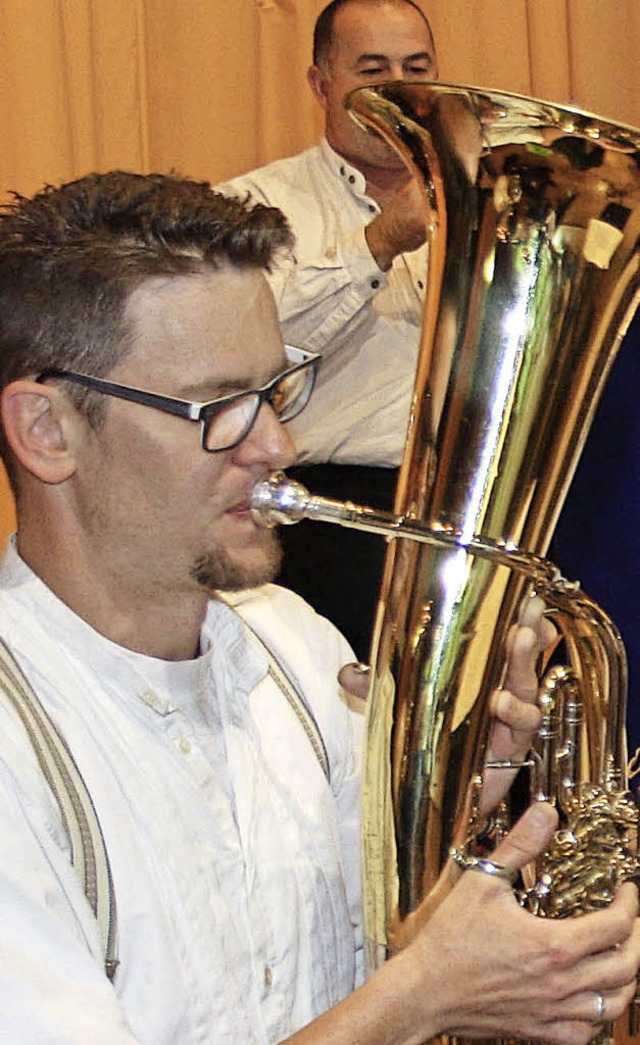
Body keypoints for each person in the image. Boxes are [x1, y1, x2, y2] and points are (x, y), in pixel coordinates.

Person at [0, 170, 638, 1045]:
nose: (279, 444)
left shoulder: (297, 644)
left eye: (277, 389)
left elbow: (380, 948)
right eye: (221, 407)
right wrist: (428, 994)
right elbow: (407, 992)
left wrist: (463, 791)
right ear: (46, 430)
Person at [218, 0, 436, 660]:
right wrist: (381, 241)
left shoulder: (490, 200)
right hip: (326, 520)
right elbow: (249, 355)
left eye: (415, 68)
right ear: (320, 84)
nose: (397, 87)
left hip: (474, 508)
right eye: (372, 69)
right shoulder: (250, 207)